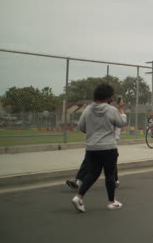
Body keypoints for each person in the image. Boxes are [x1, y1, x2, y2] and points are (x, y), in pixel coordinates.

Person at [71, 84, 126, 213]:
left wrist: (92, 133)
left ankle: (79, 197)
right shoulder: (111, 110)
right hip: (108, 147)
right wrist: (121, 109)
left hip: (91, 148)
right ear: (108, 97)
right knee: (109, 174)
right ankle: (111, 202)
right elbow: (121, 123)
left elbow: (81, 127)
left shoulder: (87, 110)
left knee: (93, 173)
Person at [66, 97, 126, 190]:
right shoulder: (95, 110)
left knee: (106, 165)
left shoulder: (110, 111)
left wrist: (121, 108)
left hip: (106, 143)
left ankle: (114, 182)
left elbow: (120, 124)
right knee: (89, 162)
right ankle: (78, 183)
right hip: (98, 143)